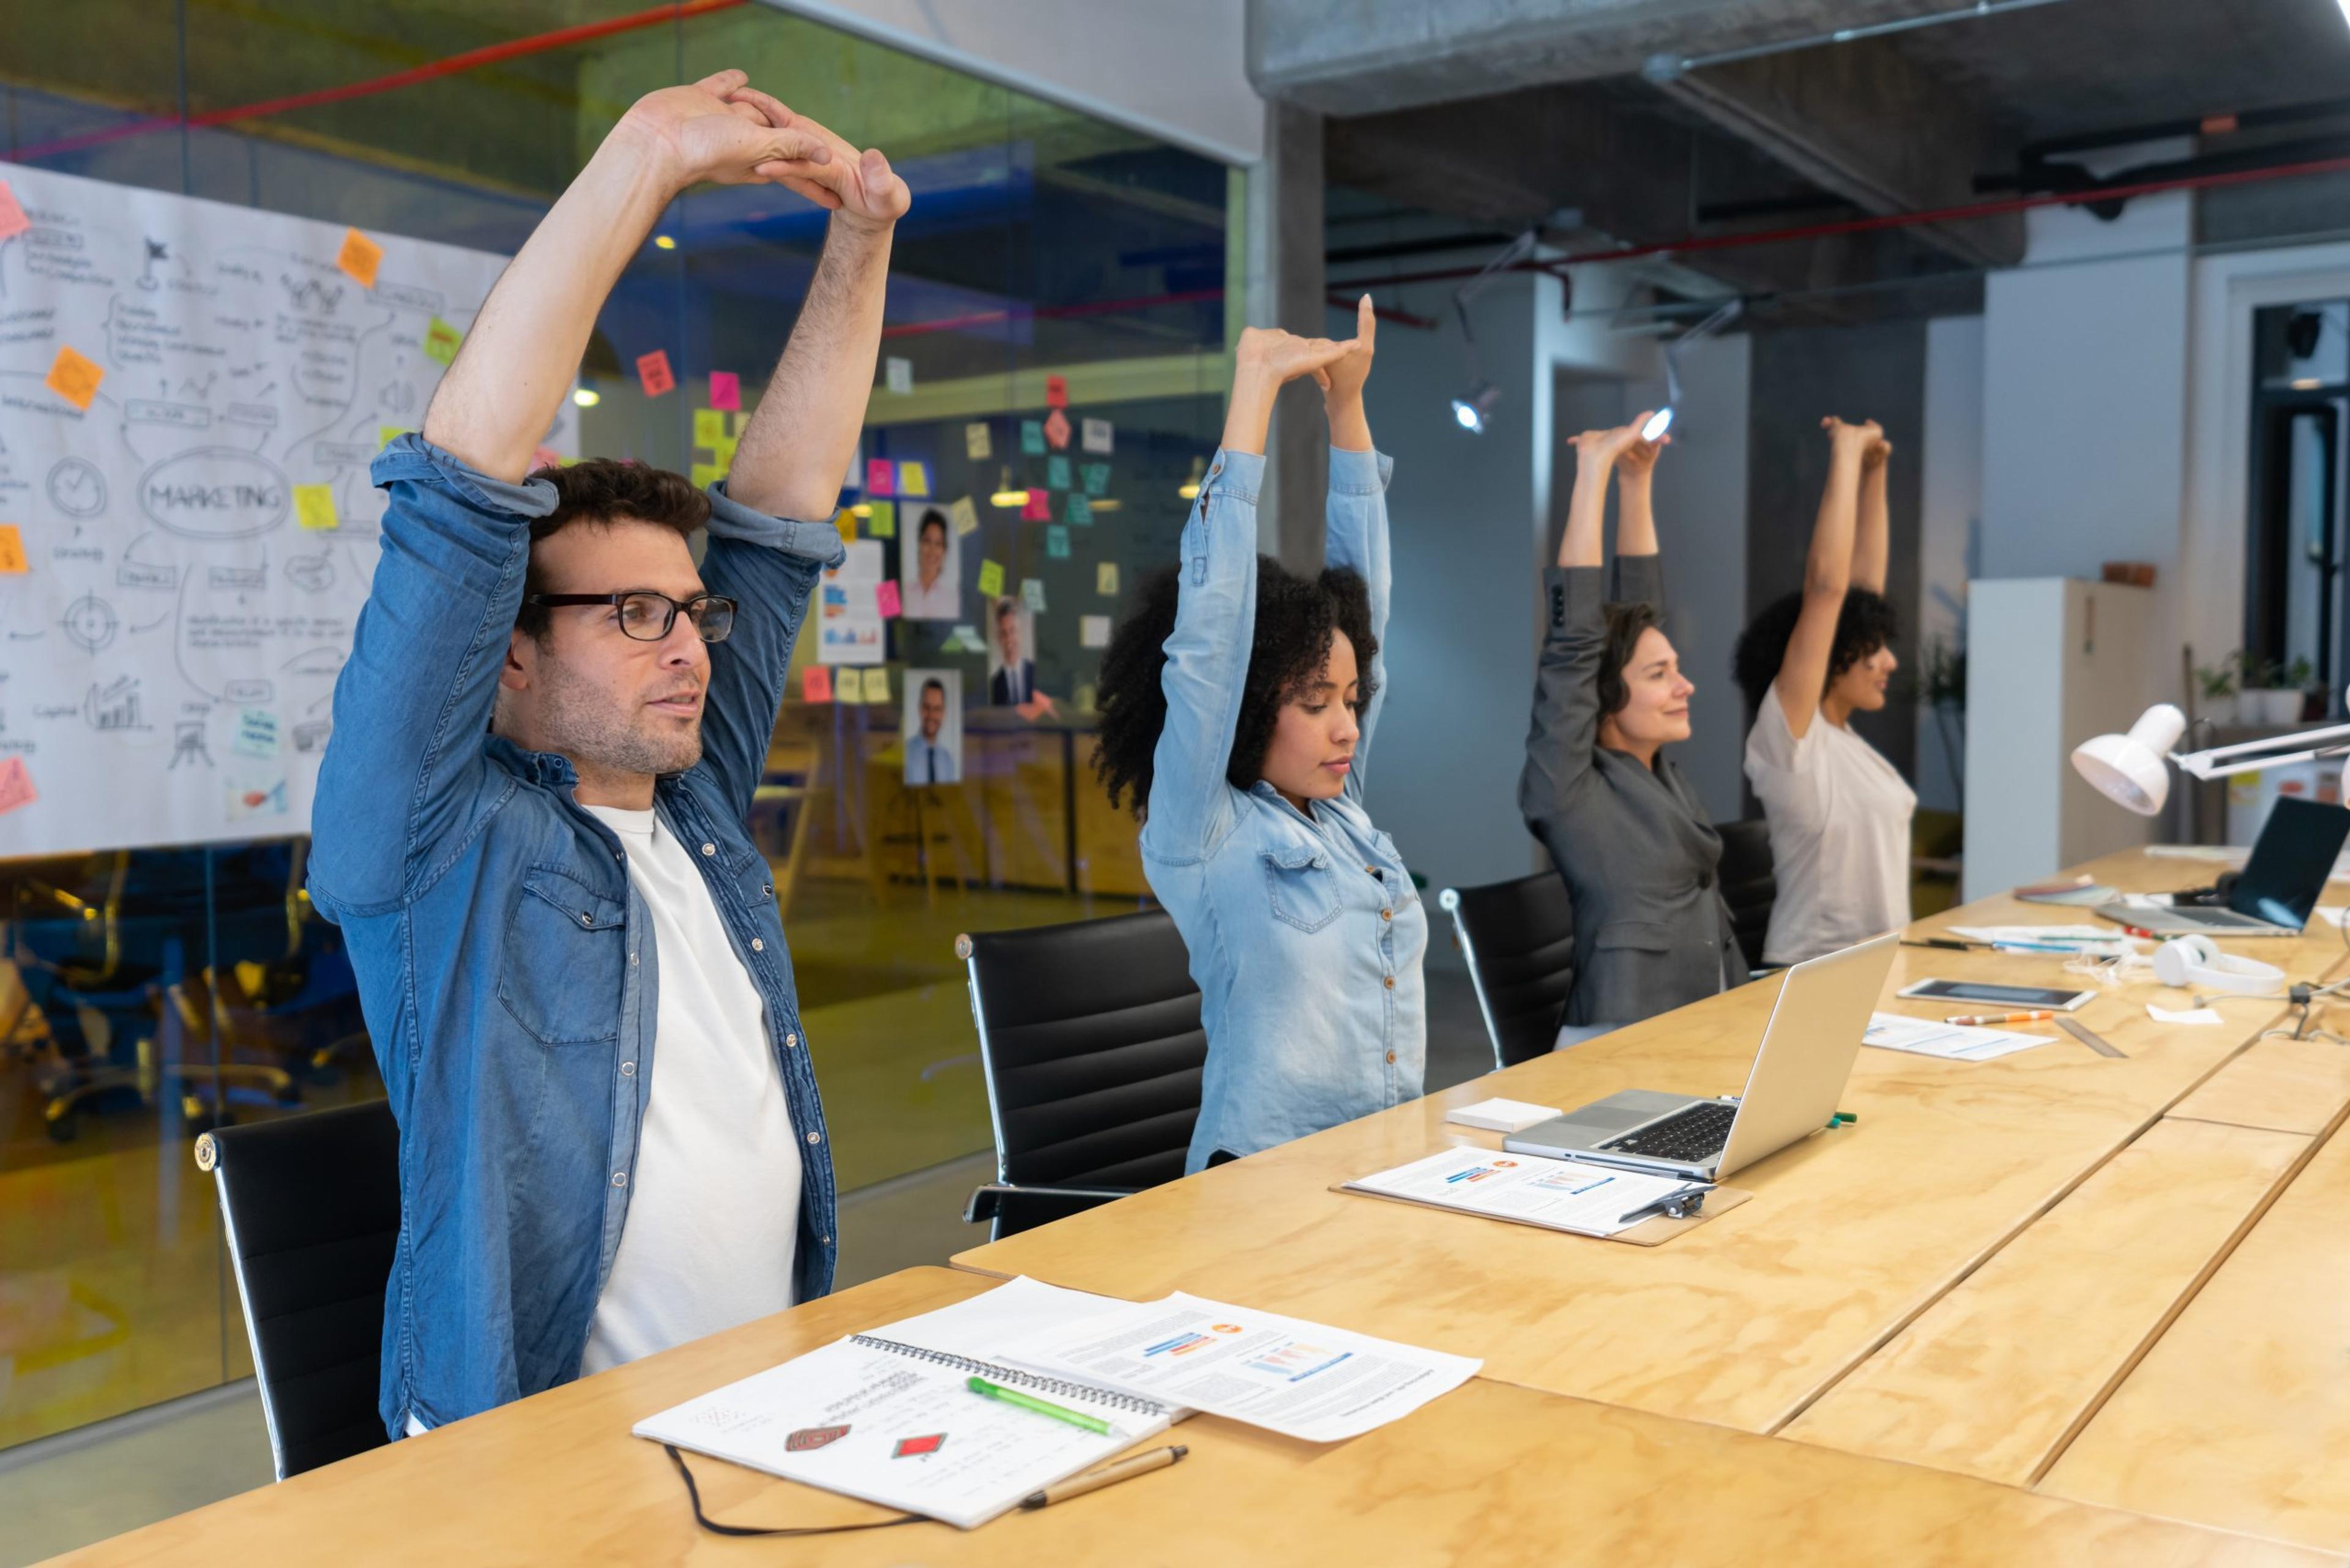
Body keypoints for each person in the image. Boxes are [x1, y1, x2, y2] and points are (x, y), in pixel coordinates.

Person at [307, 71, 909, 1439]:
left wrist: (861, 240)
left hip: (775, 1414)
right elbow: (459, 490)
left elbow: (780, 515)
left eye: (690, 614)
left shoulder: (689, 804)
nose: (689, 648)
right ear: (509, 652)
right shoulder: (432, 846)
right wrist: (644, 160)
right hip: (547, 1458)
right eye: (635, 617)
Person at [1094, 297, 1423, 1172]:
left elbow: (1370, 602)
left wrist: (1346, 407)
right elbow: (1210, 644)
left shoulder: (1340, 810)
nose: (1347, 725)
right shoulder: (1206, 830)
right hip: (1262, 1192)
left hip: (1381, 1171)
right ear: (1248, 708)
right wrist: (1254, 394)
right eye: (1316, 702)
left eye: (1351, 700)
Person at [1521, 414, 1744, 1044]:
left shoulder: (1655, 774)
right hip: (1620, 1046)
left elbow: (1642, 616)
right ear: (1607, 695)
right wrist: (1592, 471)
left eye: (1678, 670)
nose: (1685, 685)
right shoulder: (1568, 785)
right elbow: (1575, 646)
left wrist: (1637, 484)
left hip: (1700, 1025)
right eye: (1661, 675)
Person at [1733, 417, 1914, 965]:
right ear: (1829, 657)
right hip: (1810, 975)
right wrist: (1844, 451)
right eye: (1872, 648)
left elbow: (1859, 595)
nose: (1890, 661)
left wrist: (1876, 471)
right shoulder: (1791, 745)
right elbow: (1830, 590)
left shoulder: (1843, 741)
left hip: (1875, 971)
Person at [901, 506, 958, 619]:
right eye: (927, 541)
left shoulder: (954, 598)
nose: (932, 550)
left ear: (944, 550)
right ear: (920, 544)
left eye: (938, 544)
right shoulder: (904, 592)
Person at [906, 676, 959, 784]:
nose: (931, 715)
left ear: (943, 713)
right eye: (927, 707)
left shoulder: (948, 761)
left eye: (937, 709)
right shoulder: (904, 755)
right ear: (920, 709)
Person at [989, 596, 1037, 705]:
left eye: (1013, 630)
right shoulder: (994, 684)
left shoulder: (1035, 673)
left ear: (1020, 632)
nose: (1009, 639)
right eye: (1004, 633)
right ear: (999, 639)